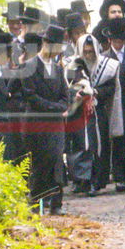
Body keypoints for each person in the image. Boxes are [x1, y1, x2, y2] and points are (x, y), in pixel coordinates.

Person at [21, 24, 73, 215]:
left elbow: (65, 95)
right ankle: (35, 201)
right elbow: (30, 95)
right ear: (46, 43)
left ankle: (56, 203)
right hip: (37, 123)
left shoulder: (58, 70)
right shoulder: (29, 66)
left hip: (56, 124)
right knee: (40, 162)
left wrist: (60, 107)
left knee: (57, 160)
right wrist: (54, 107)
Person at [69, 32, 121, 194]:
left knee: (99, 146)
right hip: (78, 113)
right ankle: (80, 180)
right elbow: (67, 87)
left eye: (91, 52)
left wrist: (95, 93)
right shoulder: (71, 66)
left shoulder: (108, 66)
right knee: (80, 146)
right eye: (85, 52)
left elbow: (111, 87)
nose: (88, 55)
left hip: (97, 112)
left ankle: (96, 181)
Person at [103, 17, 125, 192]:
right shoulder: (104, 58)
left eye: (120, 40)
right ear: (109, 40)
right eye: (114, 40)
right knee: (117, 141)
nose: (117, 43)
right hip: (112, 105)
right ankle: (120, 178)